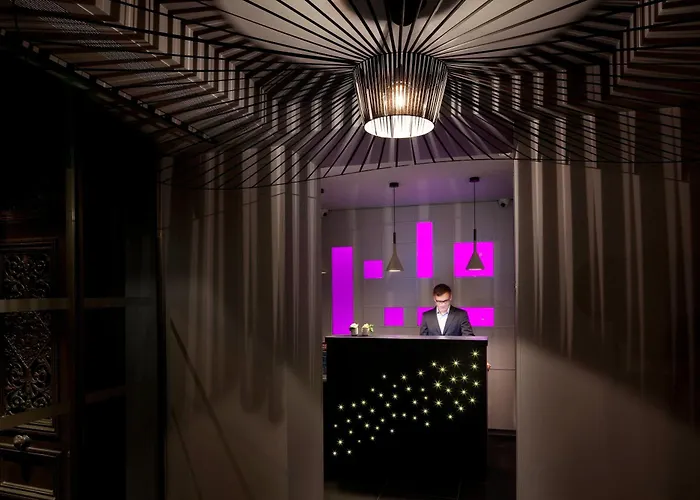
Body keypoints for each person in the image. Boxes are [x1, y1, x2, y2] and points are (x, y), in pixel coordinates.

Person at [419, 283, 491, 370]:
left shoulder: (461, 315)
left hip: (455, 363)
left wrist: (480, 359)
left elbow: (469, 339)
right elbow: (422, 343)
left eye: (445, 301)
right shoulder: (427, 316)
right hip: (433, 363)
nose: (442, 304)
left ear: (450, 297)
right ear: (434, 299)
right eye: (439, 301)